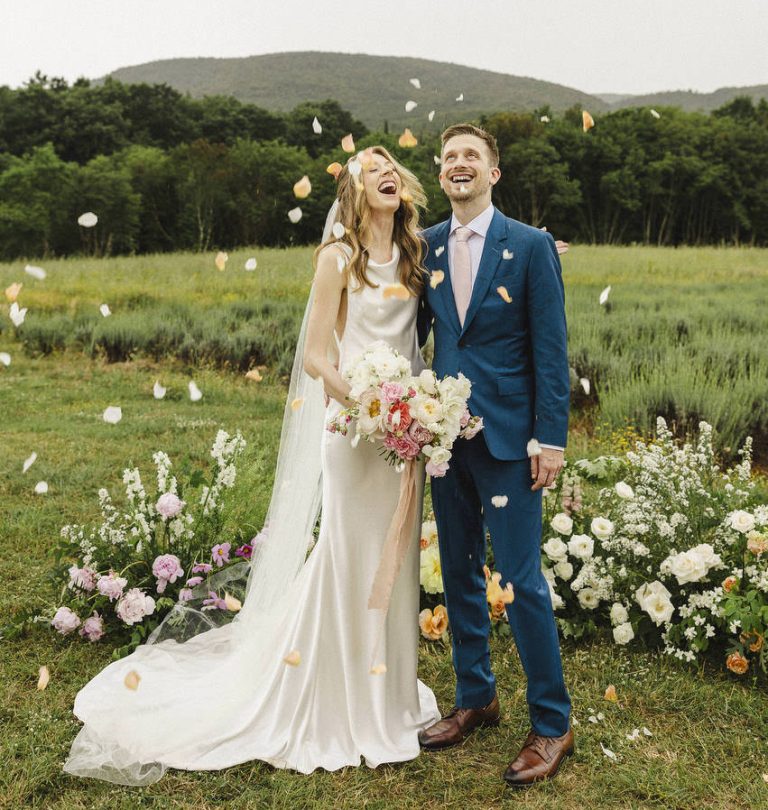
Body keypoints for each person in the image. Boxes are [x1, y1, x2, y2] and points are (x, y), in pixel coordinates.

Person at [62, 146, 441, 784]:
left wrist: (415, 411)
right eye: (369, 167)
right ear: (353, 191)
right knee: (348, 557)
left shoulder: (413, 255)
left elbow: (418, 337)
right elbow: (319, 355)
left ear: (401, 186)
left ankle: (387, 698)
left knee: (396, 559)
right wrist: (370, 403)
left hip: (404, 436)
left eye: (390, 167)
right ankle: (332, 699)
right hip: (354, 430)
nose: (383, 172)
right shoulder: (337, 258)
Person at [416, 123, 574, 788]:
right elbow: (413, 333)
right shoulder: (422, 246)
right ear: (440, 171)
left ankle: (552, 722)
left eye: (471, 157)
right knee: (457, 573)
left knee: (520, 580)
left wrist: (552, 438)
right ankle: (476, 695)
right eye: (450, 157)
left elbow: (550, 347)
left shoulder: (532, 246)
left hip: (511, 440)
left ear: (492, 173)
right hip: (445, 443)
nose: (460, 165)